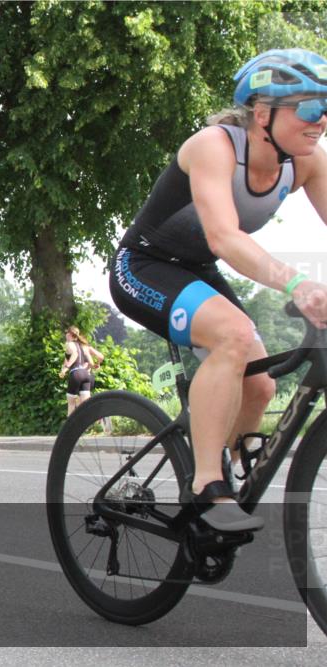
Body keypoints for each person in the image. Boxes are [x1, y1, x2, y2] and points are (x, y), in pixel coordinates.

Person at [108, 48, 327, 533]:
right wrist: (299, 284)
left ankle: (235, 458)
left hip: (196, 271)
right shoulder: (215, 146)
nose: (321, 121)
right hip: (143, 266)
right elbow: (224, 238)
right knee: (231, 333)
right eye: (310, 108)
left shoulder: (306, 163)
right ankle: (206, 487)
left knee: (262, 382)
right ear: (264, 112)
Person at [58, 327, 104, 417]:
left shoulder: (69, 344)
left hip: (76, 374)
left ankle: (70, 429)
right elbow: (99, 357)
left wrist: (65, 369)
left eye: (66, 333)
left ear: (70, 334)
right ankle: (100, 416)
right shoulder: (84, 346)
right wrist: (96, 364)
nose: (65, 335)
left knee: (71, 404)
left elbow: (74, 355)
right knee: (86, 405)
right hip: (87, 375)